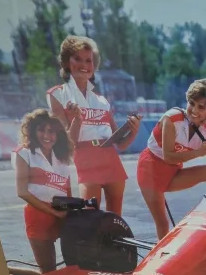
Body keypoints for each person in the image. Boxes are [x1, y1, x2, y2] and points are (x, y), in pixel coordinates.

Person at [47, 36, 139, 216]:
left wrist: (133, 130)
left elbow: (120, 144)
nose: (84, 65)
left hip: (110, 159)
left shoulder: (101, 100)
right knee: (90, 218)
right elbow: (67, 143)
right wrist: (77, 120)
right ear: (66, 62)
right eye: (77, 59)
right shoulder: (57, 94)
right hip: (85, 158)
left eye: (88, 60)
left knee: (115, 220)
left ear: (94, 65)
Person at [136, 79, 206, 239]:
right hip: (150, 169)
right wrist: (199, 152)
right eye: (192, 103)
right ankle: (162, 253)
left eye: (201, 107)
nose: (194, 110)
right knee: (163, 223)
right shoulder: (172, 118)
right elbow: (169, 157)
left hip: (173, 172)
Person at [13, 109, 76, 275]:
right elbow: (22, 192)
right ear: (32, 132)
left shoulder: (61, 156)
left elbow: (67, 191)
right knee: (49, 274)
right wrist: (53, 212)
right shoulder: (24, 153)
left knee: (78, 264)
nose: (47, 135)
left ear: (58, 134)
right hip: (38, 215)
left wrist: (71, 213)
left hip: (62, 213)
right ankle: (6, 270)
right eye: (41, 130)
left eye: (51, 131)